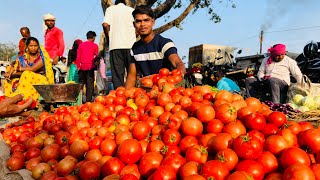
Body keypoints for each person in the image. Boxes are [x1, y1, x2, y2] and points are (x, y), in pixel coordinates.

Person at [125, 5, 186, 89]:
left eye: (146, 20)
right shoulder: (134, 48)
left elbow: (178, 63)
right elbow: (132, 75)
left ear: (153, 22)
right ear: (134, 24)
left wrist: (178, 77)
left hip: (166, 90)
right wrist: (125, 94)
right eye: (138, 21)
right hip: (147, 92)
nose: (142, 24)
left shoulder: (164, 43)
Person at [4, 37, 55, 101]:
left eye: (35, 46)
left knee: (27, 74)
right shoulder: (22, 58)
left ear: (38, 46)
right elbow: (20, 74)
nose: (33, 48)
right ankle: (10, 99)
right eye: (31, 46)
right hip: (25, 79)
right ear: (27, 46)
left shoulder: (42, 58)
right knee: (11, 80)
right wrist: (10, 75)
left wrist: (16, 68)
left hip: (39, 81)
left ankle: (25, 99)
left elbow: (33, 69)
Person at [102, 0, 136, 89]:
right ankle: (132, 94)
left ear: (115, 3)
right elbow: (137, 25)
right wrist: (135, 35)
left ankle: (119, 96)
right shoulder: (131, 10)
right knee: (132, 73)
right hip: (130, 45)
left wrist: (108, 37)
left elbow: (105, 25)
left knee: (117, 75)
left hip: (115, 46)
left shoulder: (110, 9)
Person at [75, 31, 99, 102]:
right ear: (93, 37)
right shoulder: (95, 45)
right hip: (90, 67)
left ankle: (79, 100)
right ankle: (88, 102)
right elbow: (97, 56)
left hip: (82, 68)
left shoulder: (81, 45)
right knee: (90, 85)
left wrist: (78, 66)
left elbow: (78, 57)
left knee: (81, 85)